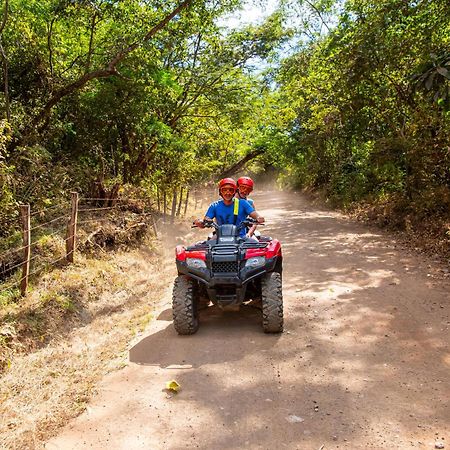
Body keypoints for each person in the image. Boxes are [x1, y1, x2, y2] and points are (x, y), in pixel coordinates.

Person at [194, 177, 264, 238]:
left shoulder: (243, 203)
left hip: (241, 237)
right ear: (220, 192)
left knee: (256, 247)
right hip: (220, 237)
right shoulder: (214, 206)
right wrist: (200, 222)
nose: (228, 193)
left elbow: (255, 215)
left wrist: (259, 218)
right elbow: (206, 220)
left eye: (231, 190)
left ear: (234, 191)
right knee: (207, 248)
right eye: (224, 190)